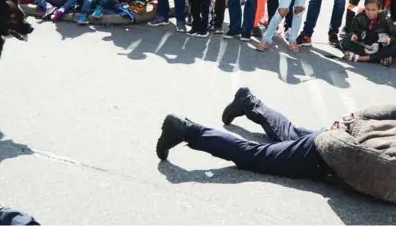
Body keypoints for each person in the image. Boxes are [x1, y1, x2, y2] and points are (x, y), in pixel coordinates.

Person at [156, 88, 396, 204]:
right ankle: (186, 130)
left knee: (288, 133)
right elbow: (362, 161)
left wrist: (352, 119)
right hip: (335, 150)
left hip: (348, 136)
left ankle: (248, 102)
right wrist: (336, 132)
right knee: (257, 156)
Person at [340, 0, 396, 65]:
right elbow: (352, 31)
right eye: (367, 9)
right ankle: (380, 58)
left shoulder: (386, 19)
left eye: (373, 10)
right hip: (363, 46)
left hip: (379, 47)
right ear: (364, 8)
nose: (370, 12)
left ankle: (362, 58)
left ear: (379, 9)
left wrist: (390, 39)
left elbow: (394, 35)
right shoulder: (359, 17)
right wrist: (353, 35)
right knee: (345, 42)